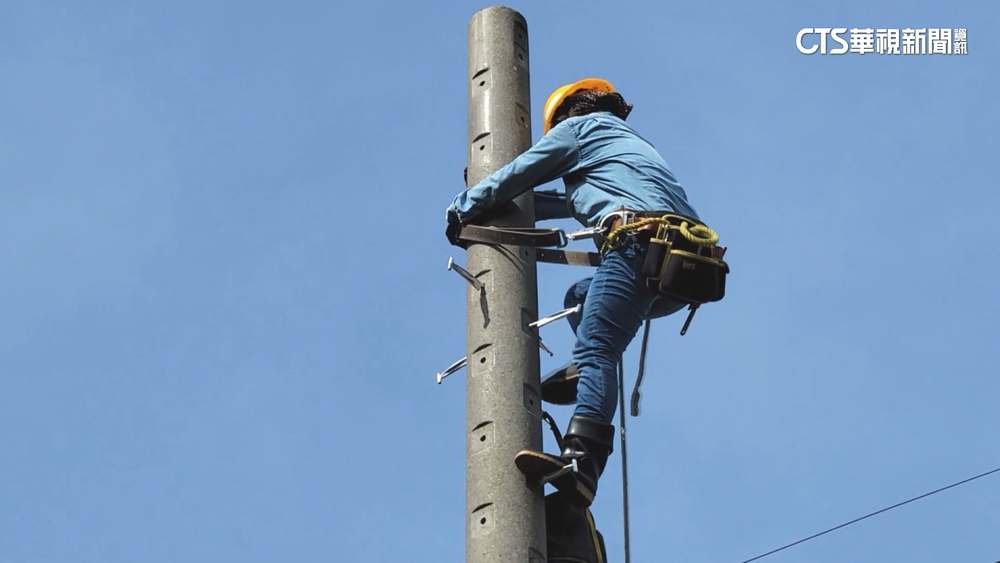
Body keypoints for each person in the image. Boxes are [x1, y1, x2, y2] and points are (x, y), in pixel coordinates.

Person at [446, 77, 701, 508]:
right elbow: (551, 202)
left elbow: (521, 172)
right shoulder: (627, 146)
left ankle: (583, 464)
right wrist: (500, 201)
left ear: (567, 112)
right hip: (687, 267)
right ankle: (586, 374)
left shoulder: (579, 130)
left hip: (640, 247)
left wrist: (465, 206)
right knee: (582, 298)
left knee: (598, 347)